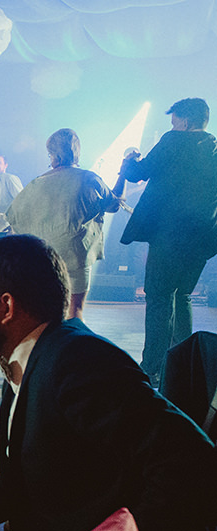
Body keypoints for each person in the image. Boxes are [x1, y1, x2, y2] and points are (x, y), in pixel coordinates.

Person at [0, 234, 217, 531]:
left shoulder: (78, 360)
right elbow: (45, 474)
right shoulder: (32, 357)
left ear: (6, 306)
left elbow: (193, 461)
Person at [119, 98, 217, 384]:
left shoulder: (173, 141)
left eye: (174, 121)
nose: (172, 126)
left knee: (159, 297)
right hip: (201, 239)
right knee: (183, 295)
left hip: (168, 237)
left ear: (184, 121)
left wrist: (129, 159)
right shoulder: (214, 148)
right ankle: (183, 365)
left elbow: (137, 174)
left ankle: (151, 367)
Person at [7, 129, 125, 320]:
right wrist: (124, 173)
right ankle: (72, 339)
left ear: (53, 155)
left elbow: (14, 217)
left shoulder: (37, 183)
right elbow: (114, 204)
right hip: (76, 255)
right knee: (75, 310)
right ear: (76, 151)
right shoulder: (88, 178)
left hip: (44, 257)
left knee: (47, 310)